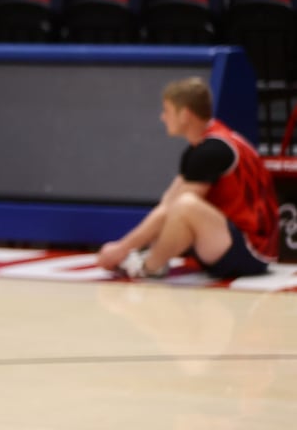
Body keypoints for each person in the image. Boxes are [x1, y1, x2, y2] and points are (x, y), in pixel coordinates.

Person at [96, 76, 279, 280]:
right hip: (237, 239)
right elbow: (166, 206)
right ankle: (149, 258)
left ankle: (148, 267)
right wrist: (128, 246)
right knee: (178, 205)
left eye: (167, 111)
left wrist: (121, 248)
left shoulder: (211, 150)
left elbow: (174, 208)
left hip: (251, 250)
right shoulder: (204, 145)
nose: (162, 117)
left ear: (184, 114)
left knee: (186, 206)